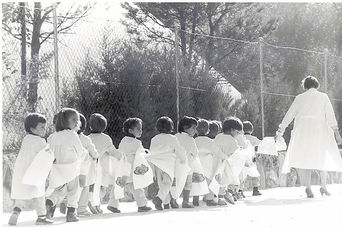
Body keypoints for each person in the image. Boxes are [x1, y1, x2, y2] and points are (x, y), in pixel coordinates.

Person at [276, 76, 342, 198]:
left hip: (303, 131)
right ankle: (323, 186)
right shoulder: (323, 96)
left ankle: (308, 188)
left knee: (306, 158)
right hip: (319, 129)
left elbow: (289, 114)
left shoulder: (299, 98)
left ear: (305, 86)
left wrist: (281, 129)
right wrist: (336, 133)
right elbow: (330, 115)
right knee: (322, 156)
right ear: (317, 85)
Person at [8, 113, 53, 225]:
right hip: (34, 173)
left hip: (21, 173)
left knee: (22, 196)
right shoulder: (40, 141)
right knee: (39, 195)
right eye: (42, 127)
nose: (44, 129)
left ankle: (16, 211)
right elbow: (48, 154)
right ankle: (41, 218)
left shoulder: (26, 139)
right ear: (33, 129)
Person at [46, 108, 85, 222]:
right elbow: (80, 151)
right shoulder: (72, 135)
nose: (77, 122)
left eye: (77, 119)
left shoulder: (52, 136)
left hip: (57, 169)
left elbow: (49, 153)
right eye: (74, 119)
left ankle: (50, 202)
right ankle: (71, 213)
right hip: (71, 168)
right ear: (65, 122)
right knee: (74, 191)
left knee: (59, 191)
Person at [148, 116, 186, 210]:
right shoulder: (173, 138)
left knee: (162, 184)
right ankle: (158, 198)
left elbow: (152, 151)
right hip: (168, 164)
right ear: (171, 127)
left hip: (157, 164)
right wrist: (183, 159)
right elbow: (178, 150)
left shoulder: (154, 139)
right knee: (167, 183)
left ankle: (165, 203)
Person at [88, 113, 122, 214]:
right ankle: (95, 203)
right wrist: (121, 157)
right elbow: (113, 151)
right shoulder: (106, 138)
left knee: (93, 186)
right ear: (104, 127)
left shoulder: (88, 138)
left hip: (89, 167)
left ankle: (93, 202)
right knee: (101, 188)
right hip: (102, 168)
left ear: (90, 126)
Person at [118, 118, 152, 212]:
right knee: (137, 187)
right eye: (138, 129)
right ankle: (141, 205)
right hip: (134, 168)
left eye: (141, 128)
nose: (141, 131)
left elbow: (120, 152)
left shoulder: (123, 141)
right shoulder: (137, 143)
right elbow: (141, 154)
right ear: (130, 131)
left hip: (124, 167)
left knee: (118, 186)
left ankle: (113, 204)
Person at [176, 116, 207, 208]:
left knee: (175, 183)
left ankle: (172, 201)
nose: (195, 130)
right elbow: (195, 153)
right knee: (188, 184)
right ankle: (185, 201)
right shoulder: (190, 140)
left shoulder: (175, 137)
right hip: (188, 165)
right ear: (185, 128)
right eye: (193, 128)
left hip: (176, 165)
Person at [77, 114, 99, 216]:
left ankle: (67, 204)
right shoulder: (85, 139)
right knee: (85, 188)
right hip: (85, 170)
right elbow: (94, 152)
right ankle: (81, 209)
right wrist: (95, 156)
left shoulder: (68, 138)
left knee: (72, 187)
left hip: (72, 168)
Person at [195, 119, 219, 206]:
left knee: (196, 182)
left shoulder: (194, 141)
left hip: (197, 164)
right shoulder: (210, 142)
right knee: (209, 181)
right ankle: (209, 199)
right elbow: (216, 153)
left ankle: (196, 199)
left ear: (195, 130)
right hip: (208, 164)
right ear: (208, 130)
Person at [242, 121, 262, 196]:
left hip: (242, 160)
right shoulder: (253, 138)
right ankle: (255, 189)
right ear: (252, 130)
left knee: (242, 175)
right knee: (255, 174)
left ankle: (240, 191)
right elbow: (260, 143)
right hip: (251, 159)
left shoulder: (241, 138)